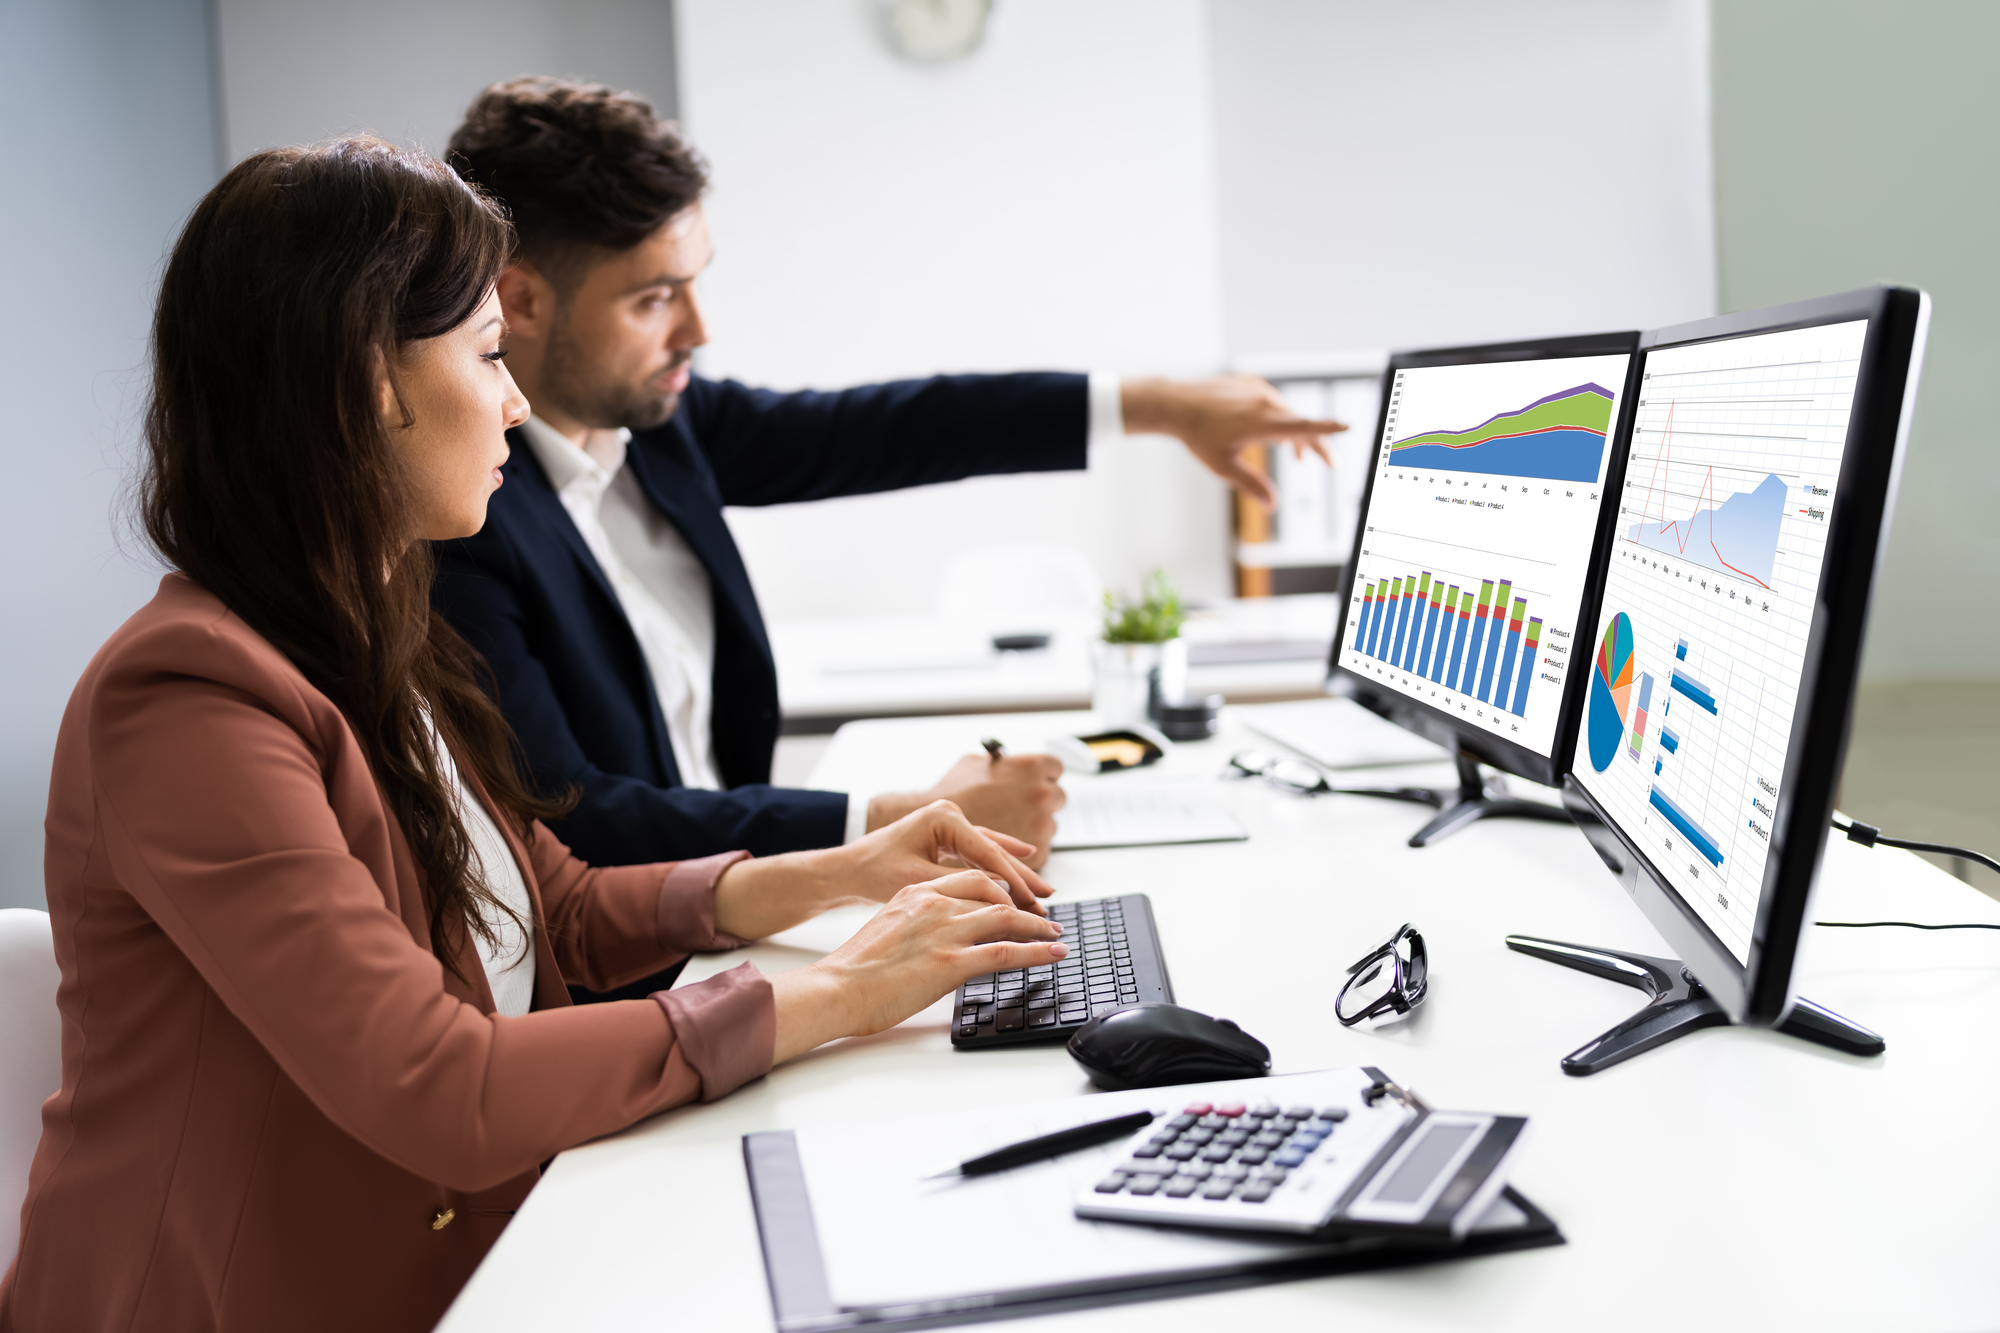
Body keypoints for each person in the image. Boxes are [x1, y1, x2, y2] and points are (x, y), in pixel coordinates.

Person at [0, 137, 1067, 1333]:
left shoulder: (366, 621)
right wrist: (839, 994)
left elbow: (540, 908)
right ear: (370, 383)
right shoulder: (188, 699)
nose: (514, 400)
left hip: (470, 1249)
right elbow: (434, 1081)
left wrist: (837, 876)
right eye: (489, 355)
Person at [432, 77, 1345, 879]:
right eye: (654, 297)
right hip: (642, 984)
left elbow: (900, 423)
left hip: (748, 905)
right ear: (521, 300)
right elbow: (576, 819)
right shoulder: (462, 521)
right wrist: (895, 817)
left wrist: (1159, 406)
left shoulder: (667, 426)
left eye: (694, 282)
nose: (697, 331)